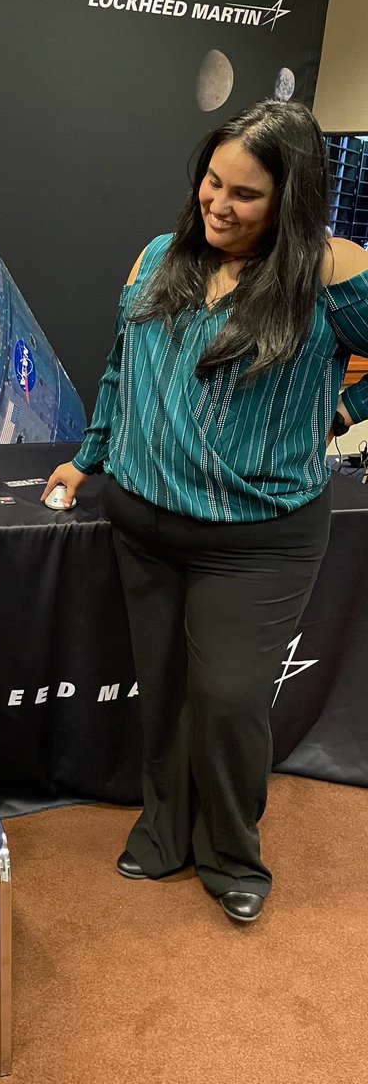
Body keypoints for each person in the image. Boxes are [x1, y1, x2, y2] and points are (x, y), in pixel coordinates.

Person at [43, 99, 368, 924]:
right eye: (211, 183)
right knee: (166, 692)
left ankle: (232, 853)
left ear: (291, 201)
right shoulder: (160, 255)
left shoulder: (327, 274)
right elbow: (122, 367)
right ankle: (166, 831)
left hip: (258, 541)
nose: (217, 206)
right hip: (144, 521)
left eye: (246, 195)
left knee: (227, 701)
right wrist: (88, 457)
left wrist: (342, 408)